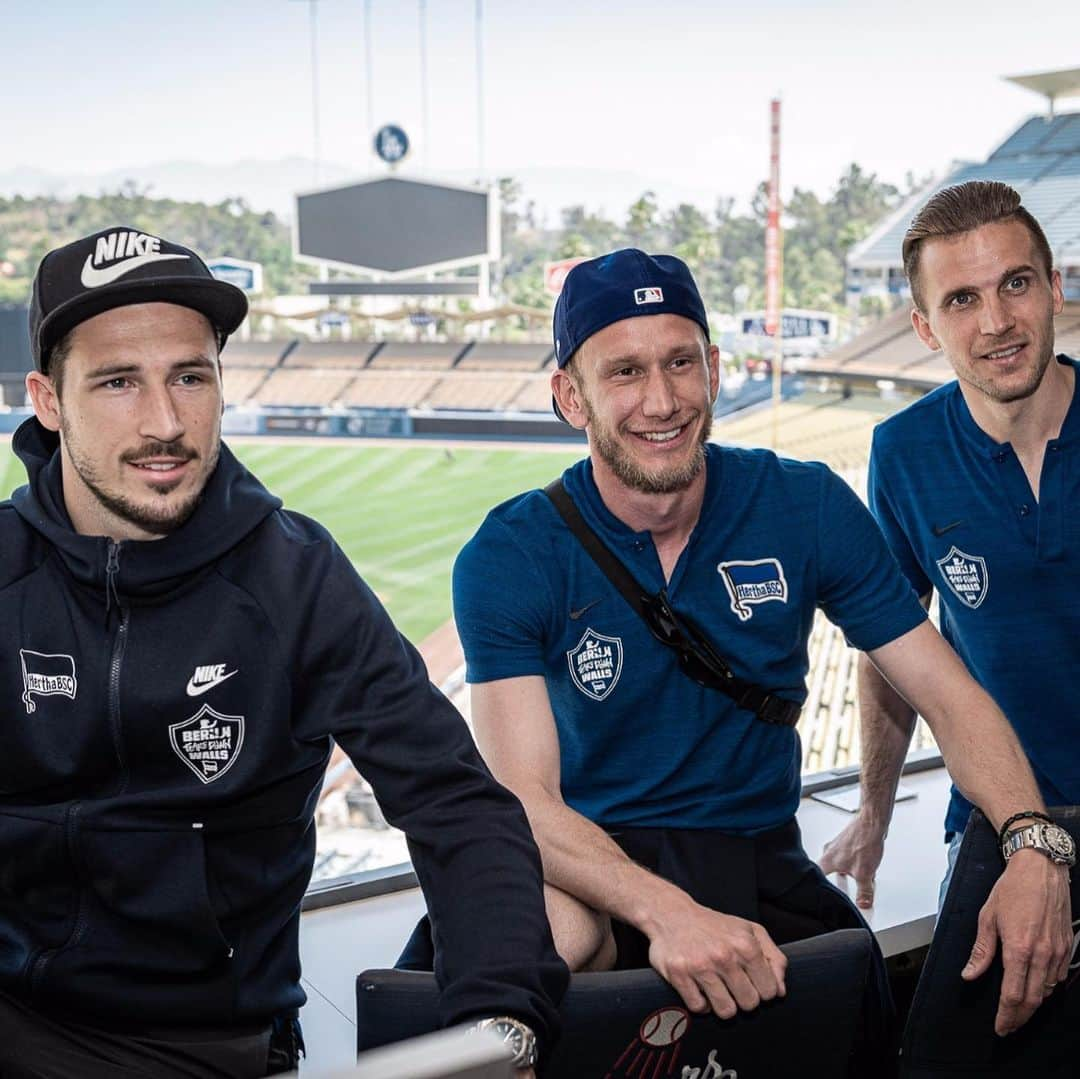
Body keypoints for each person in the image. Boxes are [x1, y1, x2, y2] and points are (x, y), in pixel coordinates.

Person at [450, 248, 1072, 1058]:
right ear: (571, 395)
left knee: (863, 1015)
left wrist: (1033, 840)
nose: (662, 400)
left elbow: (948, 694)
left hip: (754, 859)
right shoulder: (511, 552)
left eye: (681, 362)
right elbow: (522, 801)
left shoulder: (804, 503)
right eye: (625, 372)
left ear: (713, 367)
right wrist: (665, 910)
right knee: (533, 966)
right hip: (588, 863)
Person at [0, 226, 566, 1078]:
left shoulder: (295, 578)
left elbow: (455, 802)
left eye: (190, 376)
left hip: (199, 1041)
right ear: (47, 399)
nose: (165, 422)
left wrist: (501, 1022)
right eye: (119, 382)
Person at [821, 181, 1080, 913]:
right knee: (951, 1026)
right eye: (962, 299)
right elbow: (889, 647)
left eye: (1016, 284)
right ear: (926, 326)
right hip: (995, 824)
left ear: (1055, 289)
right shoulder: (902, 453)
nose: (997, 321)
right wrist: (872, 815)